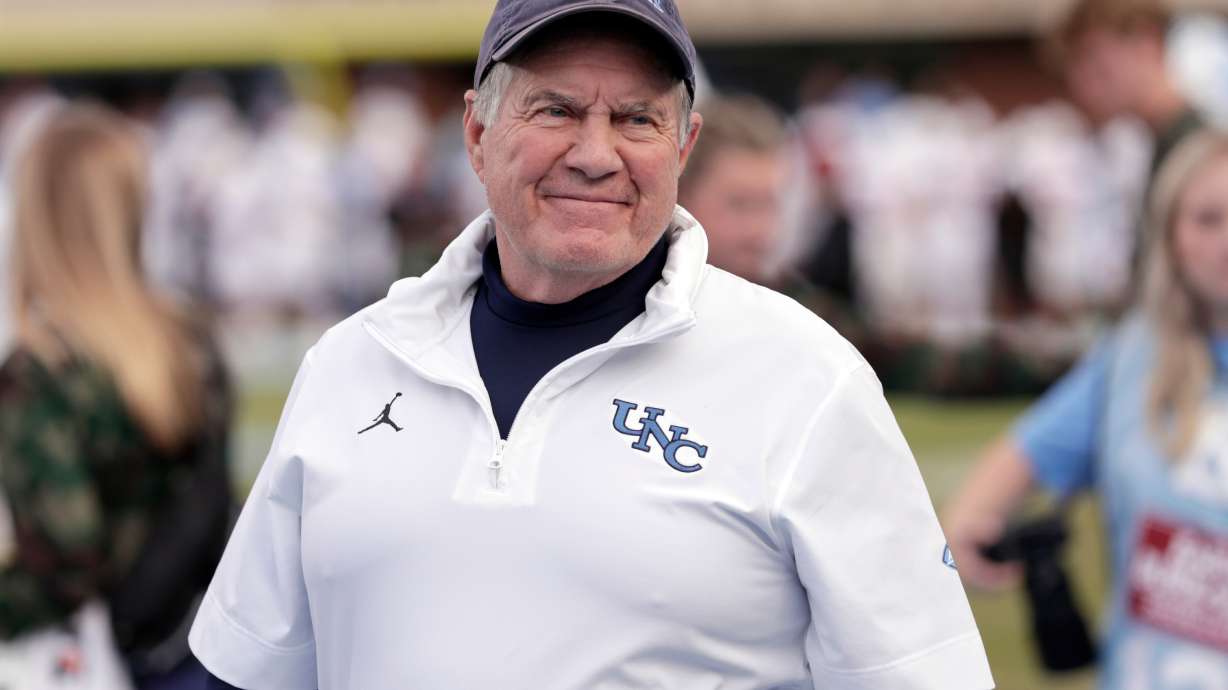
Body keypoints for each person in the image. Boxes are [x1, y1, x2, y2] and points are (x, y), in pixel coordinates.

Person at [190, 1, 995, 688]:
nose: (596, 153)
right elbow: (249, 666)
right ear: (476, 131)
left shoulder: (807, 379)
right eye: (556, 110)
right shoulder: (349, 365)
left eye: (637, 119)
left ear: (683, 146)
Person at [944, 127, 1228, 689]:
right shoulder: (1130, 360)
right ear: (1169, 235)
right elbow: (1012, 465)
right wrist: (969, 531)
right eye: (1207, 218)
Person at [0, 104, 233, 689]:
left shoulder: (42, 373)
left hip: (96, 659)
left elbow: (66, 561)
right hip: (200, 643)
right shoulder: (190, 342)